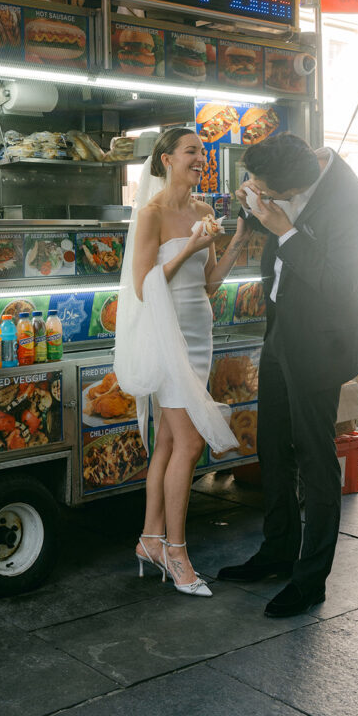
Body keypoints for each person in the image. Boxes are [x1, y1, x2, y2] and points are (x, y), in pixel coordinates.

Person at [217, 133, 358, 617]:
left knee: (314, 457)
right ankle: (278, 550)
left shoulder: (354, 207)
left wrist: (284, 230)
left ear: (294, 187)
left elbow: (337, 284)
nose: (257, 190)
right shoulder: (291, 168)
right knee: (272, 445)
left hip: (323, 340)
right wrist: (252, 208)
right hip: (282, 328)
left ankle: (311, 580)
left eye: (265, 187)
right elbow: (267, 206)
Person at [114, 127, 251, 597]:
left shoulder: (205, 211)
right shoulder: (151, 215)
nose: (201, 159)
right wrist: (189, 247)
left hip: (199, 332)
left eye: (202, 153)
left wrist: (236, 241)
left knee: (170, 441)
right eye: (192, 151)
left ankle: (149, 541)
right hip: (165, 335)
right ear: (167, 159)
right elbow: (141, 286)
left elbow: (209, 282)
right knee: (190, 445)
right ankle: (176, 551)